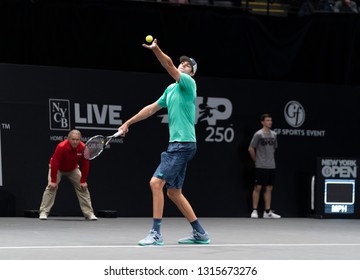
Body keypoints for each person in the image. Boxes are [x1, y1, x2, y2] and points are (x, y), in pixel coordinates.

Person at [118, 38, 210, 246]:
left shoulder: (188, 83)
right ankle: (200, 232)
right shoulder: (170, 90)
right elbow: (151, 109)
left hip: (183, 144)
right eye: (182, 63)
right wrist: (128, 122)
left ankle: (156, 234)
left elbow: (168, 64)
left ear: (192, 73)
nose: (183, 65)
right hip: (178, 145)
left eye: (188, 65)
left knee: (155, 183)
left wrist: (156, 49)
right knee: (174, 192)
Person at [39, 129, 97, 220]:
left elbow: (86, 165)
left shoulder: (84, 148)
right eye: (73, 139)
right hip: (57, 169)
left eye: (77, 140)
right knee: (51, 187)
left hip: (72, 169)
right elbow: (55, 163)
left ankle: (89, 213)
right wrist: (53, 180)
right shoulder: (61, 146)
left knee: (83, 188)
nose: (75, 142)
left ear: (80, 139)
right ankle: (43, 212)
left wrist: (83, 181)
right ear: (68, 139)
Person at [248, 114, 281, 219]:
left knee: (269, 188)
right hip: (260, 165)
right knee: (258, 187)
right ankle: (254, 210)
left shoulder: (274, 135)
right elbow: (250, 148)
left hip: (271, 165)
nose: (270, 122)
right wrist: (256, 160)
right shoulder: (258, 134)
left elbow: (274, 148)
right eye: (267, 120)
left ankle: (267, 212)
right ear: (262, 122)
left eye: (271, 120)